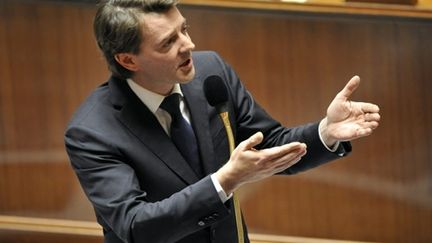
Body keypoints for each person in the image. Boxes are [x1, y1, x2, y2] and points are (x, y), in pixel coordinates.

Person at [64, 0, 380, 242]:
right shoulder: (93, 132)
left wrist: (326, 131)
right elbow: (135, 227)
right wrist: (224, 181)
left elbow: (268, 145)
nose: (188, 45)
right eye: (168, 42)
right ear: (128, 60)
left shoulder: (210, 72)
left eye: (184, 29)